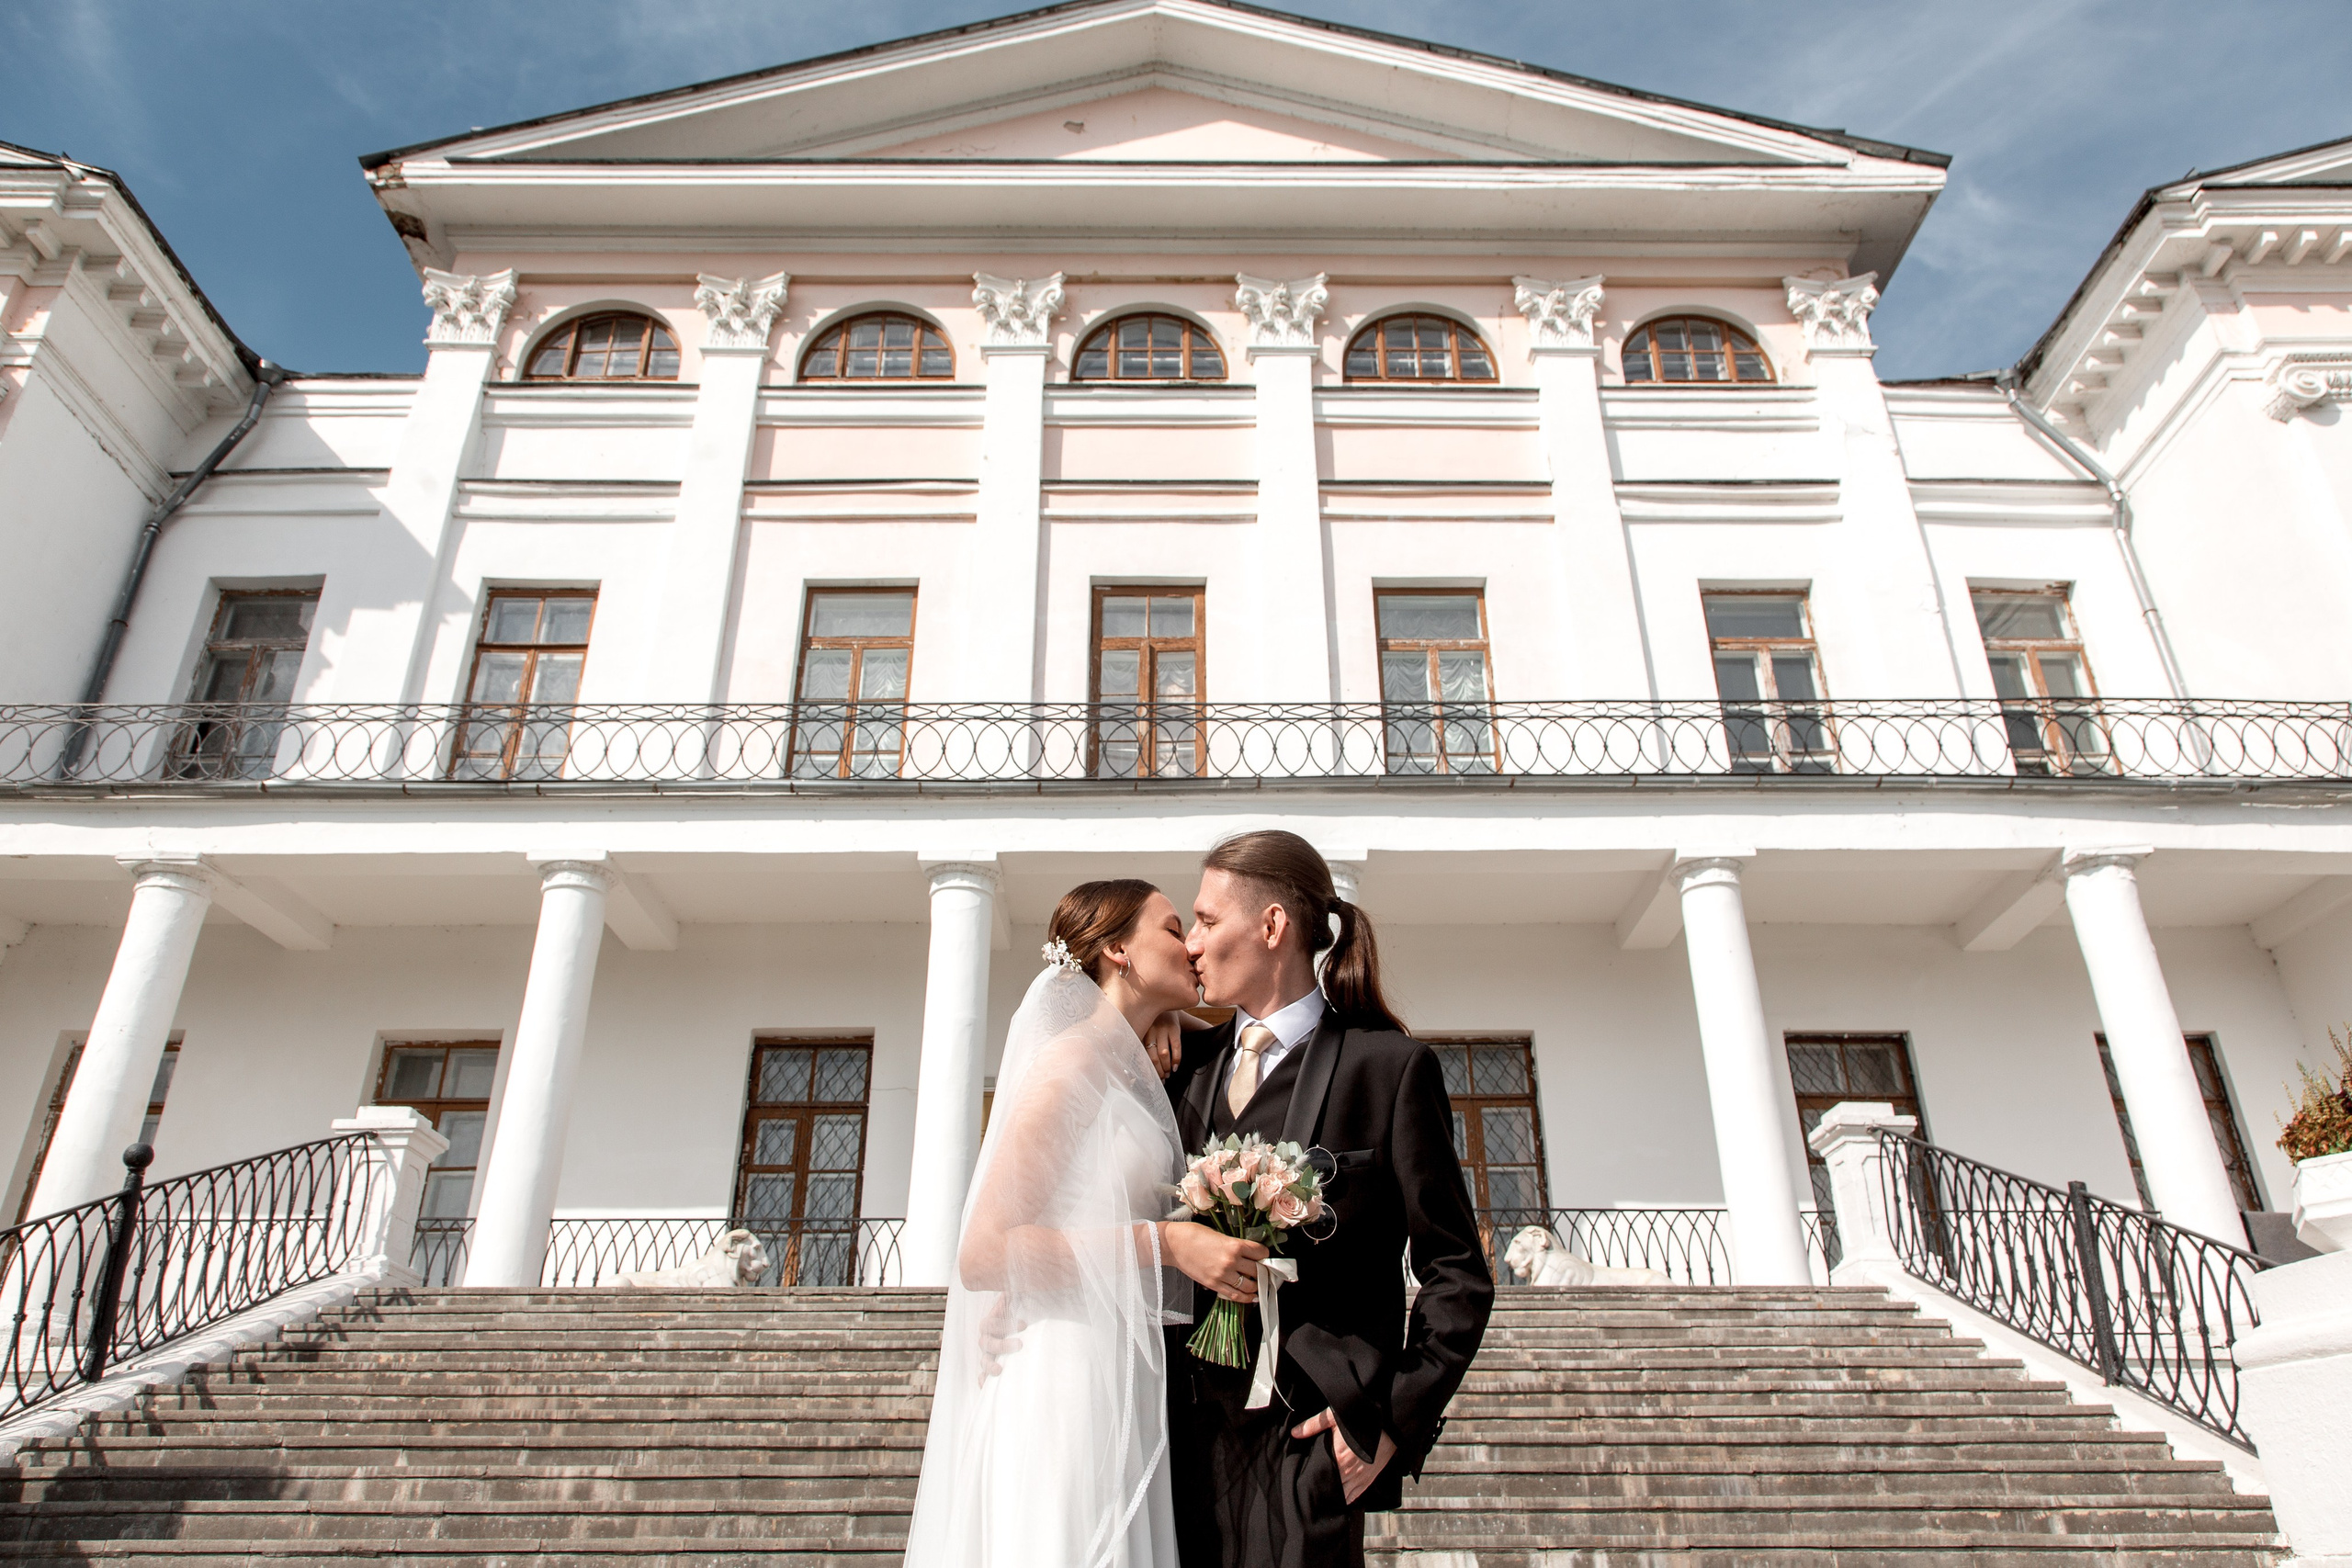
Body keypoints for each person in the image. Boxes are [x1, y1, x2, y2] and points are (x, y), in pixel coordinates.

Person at [904, 879, 1267, 1568]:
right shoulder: (1070, 1063)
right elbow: (984, 1252)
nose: (1192, 944)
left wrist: (1161, 1011)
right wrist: (1165, 1242)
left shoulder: (1129, 1062)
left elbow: (1231, 1034)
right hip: (1061, 1372)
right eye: (1173, 929)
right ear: (1118, 951)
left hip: (1118, 1363)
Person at [1164, 831, 1493, 1568]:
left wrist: (1389, 1421)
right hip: (1177, 1442)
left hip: (1309, 1446)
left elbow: (1457, 1274)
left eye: (1207, 920)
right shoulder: (1180, 1068)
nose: (1191, 942)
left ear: (1272, 925)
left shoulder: (1390, 1068)